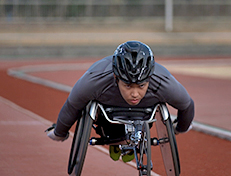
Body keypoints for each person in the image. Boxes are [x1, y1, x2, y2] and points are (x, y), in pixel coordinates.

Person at [47, 41, 194, 162]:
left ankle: (129, 141)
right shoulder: (95, 79)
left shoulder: (163, 82)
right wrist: (59, 132)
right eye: (128, 85)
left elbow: (187, 105)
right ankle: (115, 140)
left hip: (143, 116)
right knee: (94, 109)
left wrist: (180, 128)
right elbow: (73, 105)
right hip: (106, 118)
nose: (135, 93)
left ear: (149, 78)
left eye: (141, 85)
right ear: (116, 78)